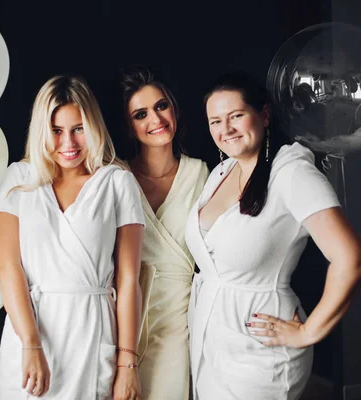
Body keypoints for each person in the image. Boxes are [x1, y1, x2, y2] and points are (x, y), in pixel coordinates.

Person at [185, 71, 361, 400]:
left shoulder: (292, 172)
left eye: (236, 116)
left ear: (264, 115)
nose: (225, 130)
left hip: (260, 351)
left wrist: (308, 332)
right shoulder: (222, 171)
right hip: (211, 342)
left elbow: (351, 259)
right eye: (215, 121)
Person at [0, 75, 145, 399]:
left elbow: (129, 279)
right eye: (56, 131)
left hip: (92, 333)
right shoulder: (19, 178)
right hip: (30, 331)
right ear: (42, 130)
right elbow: (8, 267)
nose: (68, 143)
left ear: (94, 126)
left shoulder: (117, 182)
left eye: (78, 129)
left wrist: (127, 363)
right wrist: (30, 343)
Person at [119, 66, 209, 399]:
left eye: (160, 106)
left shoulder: (200, 173)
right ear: (130, 127)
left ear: (173, 108)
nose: (155, 119)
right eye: (141, 114)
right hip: (123, 320)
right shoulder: (117, 175)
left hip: (177, 322)